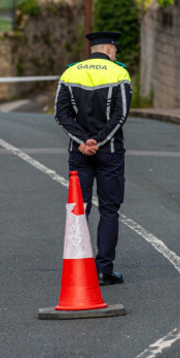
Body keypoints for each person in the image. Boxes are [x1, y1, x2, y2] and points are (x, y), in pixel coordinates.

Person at [54, 31, 132, 286]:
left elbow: (61, 114)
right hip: (109, 153)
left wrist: (83, 141)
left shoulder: (70, 73)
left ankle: (80, 268)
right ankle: (103, 270)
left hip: (79, 154)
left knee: (79, 210)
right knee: (109, 210)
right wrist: (98, 140)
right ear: (109, 49)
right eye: (115, 50)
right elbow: (120, 115)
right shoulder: (119, 73)